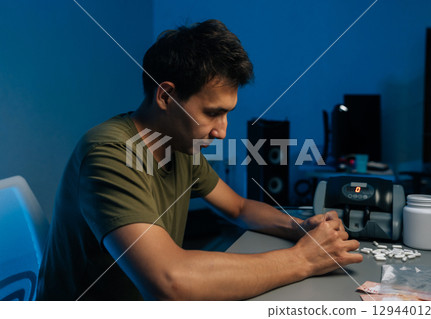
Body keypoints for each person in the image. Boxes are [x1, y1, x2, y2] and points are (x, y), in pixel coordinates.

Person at [37, 19, 362, 301]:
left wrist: (301, 228)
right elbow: (170, 282)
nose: (221, 132)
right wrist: (302, 260)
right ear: (165, 96)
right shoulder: (110, 155)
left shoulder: (179, 145)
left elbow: (238, 207)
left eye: (227, 114)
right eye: (212, 113)